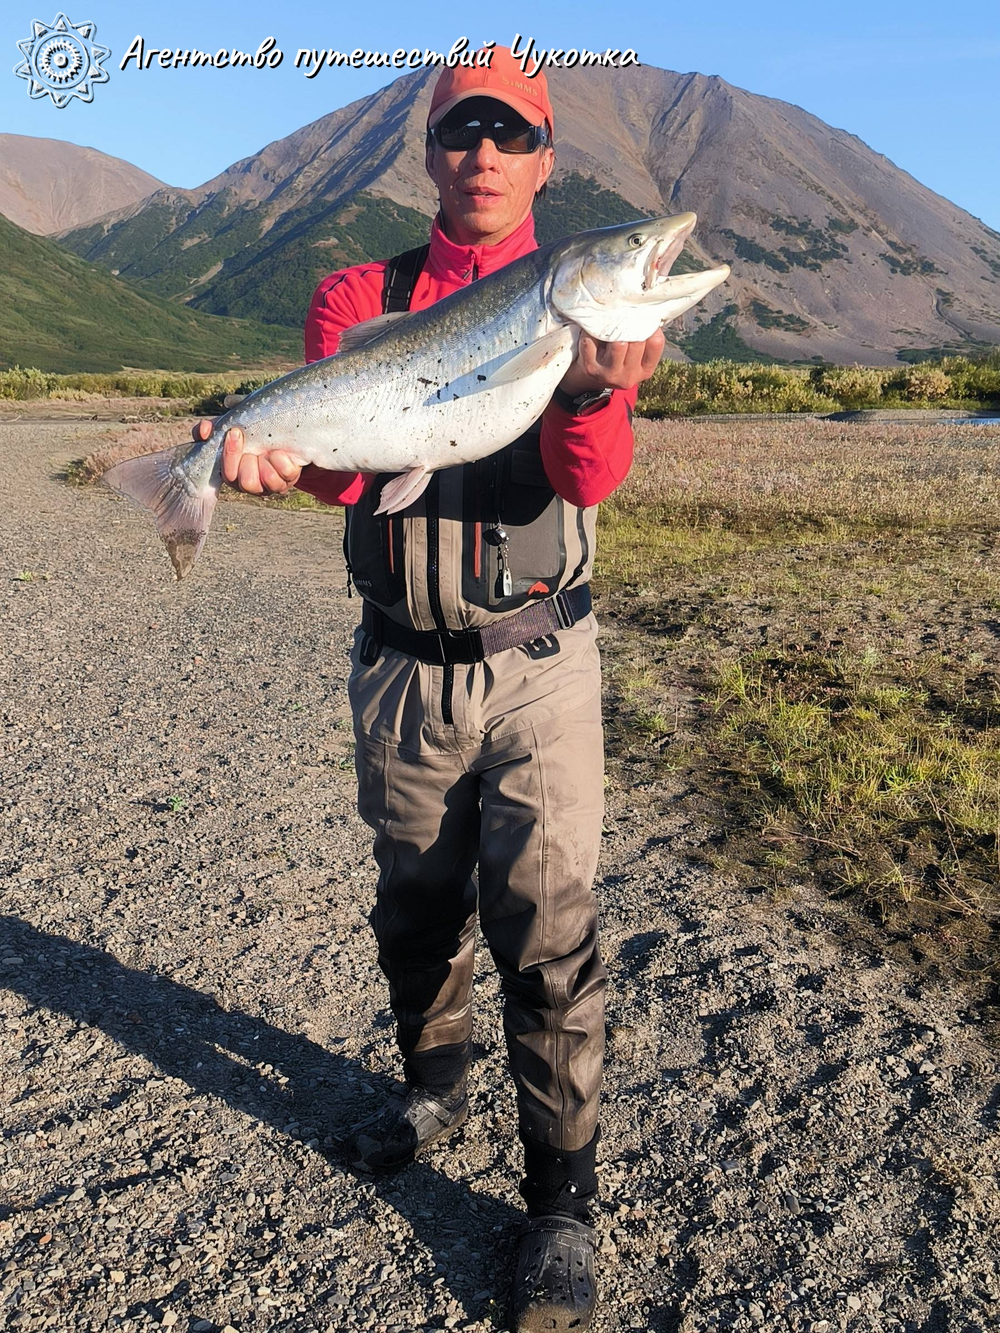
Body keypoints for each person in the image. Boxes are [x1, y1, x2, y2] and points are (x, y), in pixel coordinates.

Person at [194, 48, 663, 1333]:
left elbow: (587, 480)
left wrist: (590, 375)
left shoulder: (589, 304)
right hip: (402, 660)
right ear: (431, 152)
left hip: (540, 664)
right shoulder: (359, 291)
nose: (486, 153)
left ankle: (558, 1203)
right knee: (413, 902)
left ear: (546, 159)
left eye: (512, 132)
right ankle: (432, 1081)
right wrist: (279, 468)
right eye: (463, 130)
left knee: (548, 928)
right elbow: (354, 472)